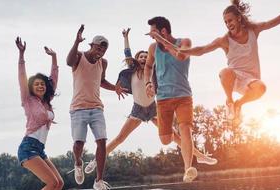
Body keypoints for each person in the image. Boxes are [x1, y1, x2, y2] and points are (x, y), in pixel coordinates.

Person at [85, 28, 217, 175]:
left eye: (145, 56)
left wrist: (159, 40)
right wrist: (125, 37)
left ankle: (201, 157)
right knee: (119, 138)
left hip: (153, 109)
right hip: (138, 109)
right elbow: (127, 54)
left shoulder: (154, 72)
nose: (143, 58)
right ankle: (95, 161)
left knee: (177, 137)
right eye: (140, 56)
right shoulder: (133, 69)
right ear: (137, 59)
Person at [158, 0, 280, 124]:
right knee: (225, 72)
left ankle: (238, 105)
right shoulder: (224, 40)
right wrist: (185, 51)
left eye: (230, 20)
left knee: (262, 88)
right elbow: (202, 49)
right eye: (225, 22)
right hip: (234, 78)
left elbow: (278, 20)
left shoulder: (253, 30)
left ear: (239, 18)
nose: (228, 24)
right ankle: (230, 101)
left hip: (251, 81)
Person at [66, 24, 127, 190]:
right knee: (79, 144)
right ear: (91, 45)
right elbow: (68, 62)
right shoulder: (79, 57)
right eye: (98, 47)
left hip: (96, 108)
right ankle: (78, 163)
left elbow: (101, 81)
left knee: (102, 141)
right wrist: (76, 42)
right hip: (78, 108)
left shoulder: (103, 62)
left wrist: (115, 88)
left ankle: (99, 181)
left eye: (103, 49)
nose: (100, 51)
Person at [144, 17, 198, 183]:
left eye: (153, 32)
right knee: (166, 139)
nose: (151, 36)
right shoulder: (153, 48)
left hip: (183, 96)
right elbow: (148, 66)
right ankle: (163, 125)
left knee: (185, 129)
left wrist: (161, 40)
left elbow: (180, 56)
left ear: (163, 31)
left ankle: (188, 168)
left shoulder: (185, 42)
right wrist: (148, 83)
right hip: (163, 99)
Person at [16, 37, 63, 190]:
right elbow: (22, 77)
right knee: (51, 183)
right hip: (28, 148)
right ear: (31, 87)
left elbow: (54, 78)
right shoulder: (28, 100)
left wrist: (54, 57)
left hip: (40, 149)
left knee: (59, 183)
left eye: (42, 84)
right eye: (36, 84)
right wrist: (21, 55)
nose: (40, 86)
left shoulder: (46, 102)